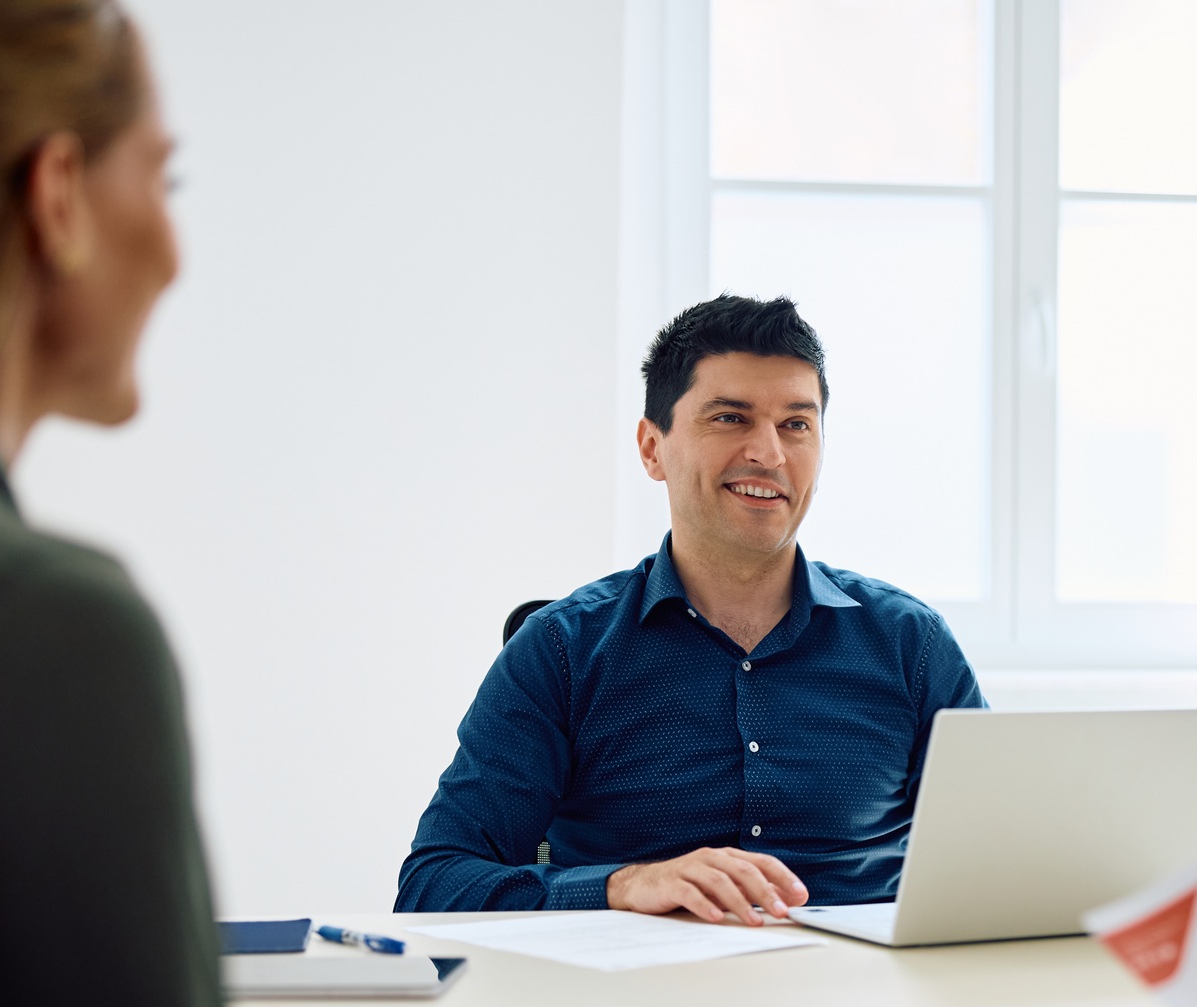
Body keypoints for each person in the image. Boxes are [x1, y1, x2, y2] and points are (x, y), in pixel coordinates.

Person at [0, 0, 735, 1007]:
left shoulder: (902, 643)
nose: (174, 243)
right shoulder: (27, 631)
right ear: (55, 196)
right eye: (164, 175)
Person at [396, 294, 986, 924]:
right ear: (653, 448)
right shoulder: (562, 649)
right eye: (731, 418)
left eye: (796, 424)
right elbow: (435, 885)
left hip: (863, 1002)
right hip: (633, 1005)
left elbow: (1002, 864)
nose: (771, 453)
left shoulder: (910, 643)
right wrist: (621, 886)